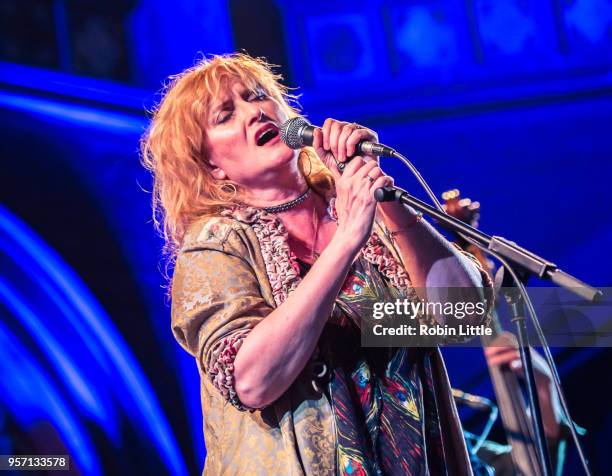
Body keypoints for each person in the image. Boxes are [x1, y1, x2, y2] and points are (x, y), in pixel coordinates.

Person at [141, 53, 493, 475]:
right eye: (226, 114)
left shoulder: (361, 207)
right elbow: (252, 382)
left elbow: (463, 316)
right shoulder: (216, 244)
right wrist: (345, 243)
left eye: (258, 97)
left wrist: (384, 200)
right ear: (210, 164)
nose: (254, 112)